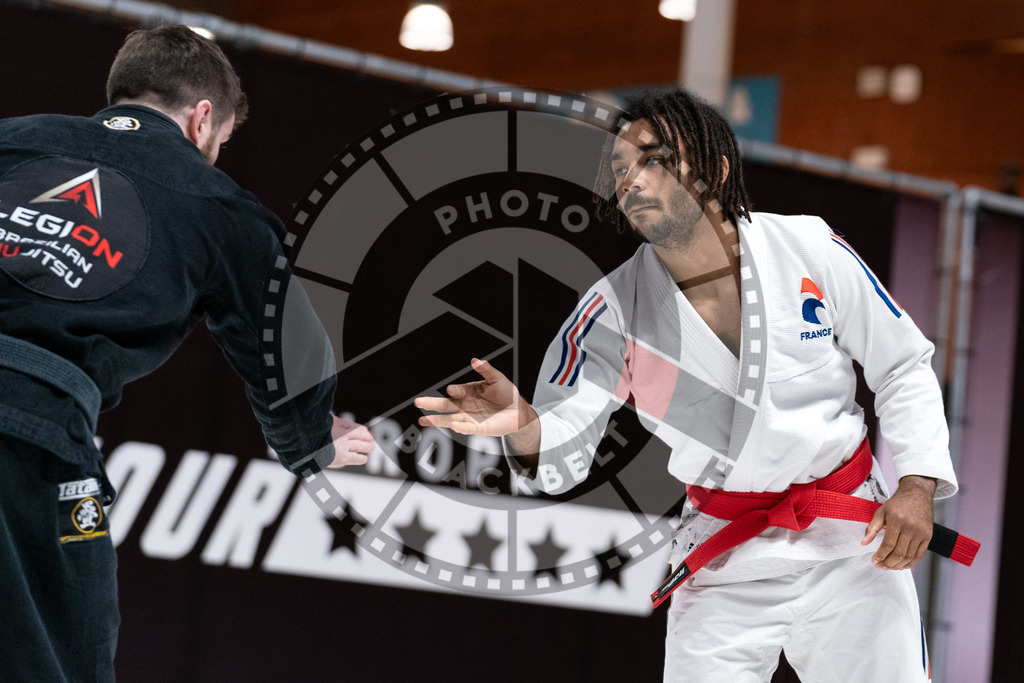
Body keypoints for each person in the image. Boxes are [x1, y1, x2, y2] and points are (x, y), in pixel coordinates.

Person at [416, 89, 963, 681]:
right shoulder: (610, 313)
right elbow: (564, 448)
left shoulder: (806, 247)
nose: (631, 180)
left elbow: (903, 363)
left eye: (653, 159)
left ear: (716, 169)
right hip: (727, 558)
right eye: (621, 169)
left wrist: (916, 486)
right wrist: (524, 423)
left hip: (854, 542)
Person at [0, 25, 373, 680]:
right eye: (222, 143)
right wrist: (310, 441)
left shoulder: (14, 139)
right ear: (203, 120)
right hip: (27, 436)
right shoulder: (220, 208)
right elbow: (287, 348)